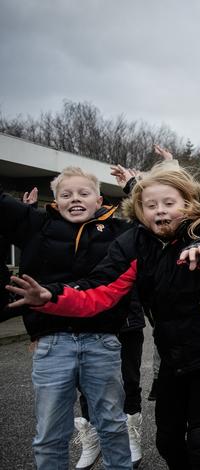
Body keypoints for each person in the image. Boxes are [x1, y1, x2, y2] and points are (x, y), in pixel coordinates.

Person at [9, 163, 200, 470]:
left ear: (188, 204)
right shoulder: (135, 241)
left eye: (169, 204)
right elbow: (99, 289)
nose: (160, 211)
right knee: (167, 440)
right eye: (151, 206)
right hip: (172, 354)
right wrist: (50, 296)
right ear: (140, 211)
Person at [1, 167, 133, 470]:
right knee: (50, 434)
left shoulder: (119, 232)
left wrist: (133, 184)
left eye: (83, 193)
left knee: (112, 424)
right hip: (52, 343)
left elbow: (157, 213)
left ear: (99, 199)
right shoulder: (36, 225)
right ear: (56, 202)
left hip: (103, 341)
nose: (75, 199)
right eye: (66, 194)